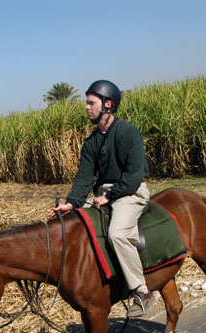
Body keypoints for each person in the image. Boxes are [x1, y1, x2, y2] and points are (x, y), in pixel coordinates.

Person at [48, 80, 155, 317]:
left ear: (108, 105)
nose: (86, 107)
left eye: (90, 103)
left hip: (129, 192)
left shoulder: (128, 133)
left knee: (117, 234)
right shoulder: (91, 142)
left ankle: (142, 290)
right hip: (103, 194)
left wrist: (110, 195)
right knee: (73, 221)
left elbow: (134, 175)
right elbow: (84, 177)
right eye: (86, 103)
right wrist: (71, 203)